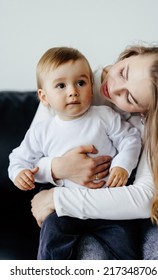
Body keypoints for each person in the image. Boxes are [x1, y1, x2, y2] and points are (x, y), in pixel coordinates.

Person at [31, 44, 158, 260]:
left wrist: (57, 199)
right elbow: (31, 152)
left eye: (131, 99)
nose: (114, 88)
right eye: (123, 72)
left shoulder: (154, 121)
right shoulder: (69, 79)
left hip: (136, 211)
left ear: (146, 110)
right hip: (79, 206)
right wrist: (57, 167)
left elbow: (145, 198)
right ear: (134, 53)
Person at [8, 47, 142, 259]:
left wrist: (122, 165)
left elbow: (131, 139)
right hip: (65, 207)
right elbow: (18, 158)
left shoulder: (104, 116)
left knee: (126, 245)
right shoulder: (41, 131)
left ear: (91, 86)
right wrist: (19, 173)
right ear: (44, 97)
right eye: (61, 85)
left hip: (108, 205)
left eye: (81, 82)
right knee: (52, 235)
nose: (73, 91)